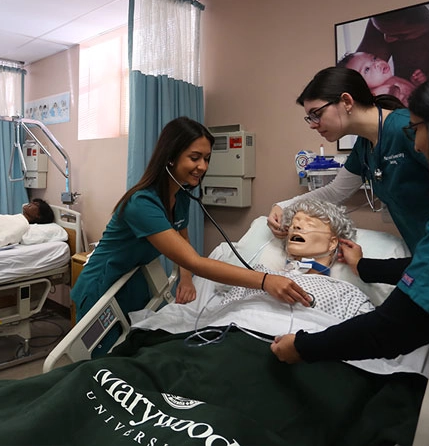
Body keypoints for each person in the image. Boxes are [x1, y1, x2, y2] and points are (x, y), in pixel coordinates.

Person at [271, 57, 429, 445]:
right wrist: (288, 208)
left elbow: (394, 328)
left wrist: (301, 346)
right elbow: (337, 193)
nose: (418, 140)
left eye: (316, 113)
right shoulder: (366, 151)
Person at [71, 117, 313, 330]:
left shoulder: (182, 195)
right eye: (194, 158)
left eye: (207, 158)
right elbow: (193, 260)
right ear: (170, 157)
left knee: (133, 347)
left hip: (133, 281)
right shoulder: (141, 204)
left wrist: (186, 280)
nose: (203, 167)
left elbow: (183, 241)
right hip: (103, 286)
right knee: (101, 366)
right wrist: (265, 281)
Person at [267, 67, 429, 253]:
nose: (313, 124)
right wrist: (283, 206)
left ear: (347, 101)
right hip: (427, 252)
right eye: (310, 118)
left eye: (317, 114)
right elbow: (335, 191)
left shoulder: (404, 128)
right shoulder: (364, 146)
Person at [223, 199, 374, 321]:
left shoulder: (347, 295)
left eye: (309, 224)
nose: (297, 227)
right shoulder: (258, 275)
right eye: (294, 224)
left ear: (332, 242)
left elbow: (370, 338)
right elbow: (220, 316)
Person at [354, 5, 429, 85]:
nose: (387, 40)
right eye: (382, 32)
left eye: (401, 36)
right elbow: (353, 77)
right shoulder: (385, 19)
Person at [337, 52, 416, 106]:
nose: (377, 63)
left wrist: (417, 83)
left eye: (374, 58)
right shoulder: (377, 94)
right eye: (367, 69)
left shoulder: (392, 79)